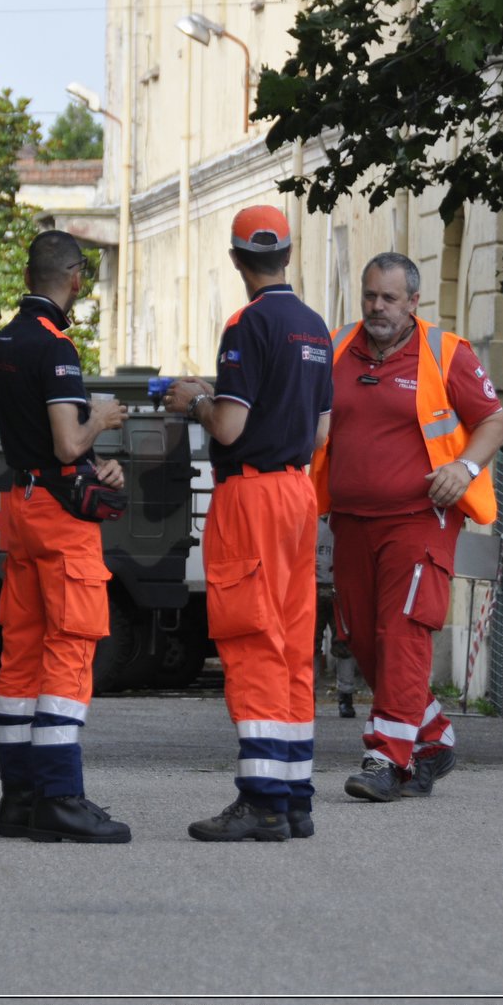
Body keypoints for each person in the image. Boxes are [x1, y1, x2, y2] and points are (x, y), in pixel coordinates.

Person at [165, 205, 333, 842]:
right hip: (297, 493)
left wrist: (196, 401)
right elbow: (320, 431)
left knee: (250, 639)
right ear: (288, 254)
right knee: (292, 645)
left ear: (236, 260)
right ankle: (293, 796)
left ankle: (261, 800)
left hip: (252, 498)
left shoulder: (246, 324)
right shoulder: (315, 327)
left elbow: (229, 425)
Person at [314, 252, 503, 801]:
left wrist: (464, 467)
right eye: (370, 295)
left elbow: (493, 420)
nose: (376, 307)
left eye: (389, 298)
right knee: (360, 640)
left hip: (420, 519)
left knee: (401, 633)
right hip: (349, 520)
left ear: (413, 302)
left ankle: (385, 758)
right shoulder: (333, 348)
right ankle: (433, 736)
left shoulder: (446, 353)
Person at [0, 229, 131, 844]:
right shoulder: (55, 346)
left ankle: (17, 800)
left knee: (21, 653)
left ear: (27, 276)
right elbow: (69, 443)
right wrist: (102, 417)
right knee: (70, 648)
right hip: (60, 518)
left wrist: (85, 462)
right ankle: (62, 799)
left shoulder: (2, 341)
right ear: (75, 279)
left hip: (22, 504)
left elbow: (46, 451)